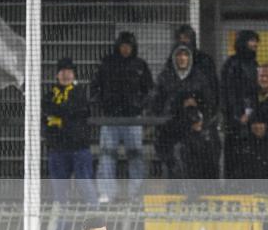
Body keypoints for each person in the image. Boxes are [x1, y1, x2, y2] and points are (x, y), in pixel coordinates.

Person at [91, 31, 154, 203]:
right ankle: (107, 193)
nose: (126, 49)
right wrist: (102, 105)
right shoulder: (107, 64)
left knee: (136, 157)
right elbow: (95, 87)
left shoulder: (140, 65)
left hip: (132, 119)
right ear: (118, 46)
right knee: (107, 155)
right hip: (110, 118)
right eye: (123, 45)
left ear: (133, 47)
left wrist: (139, 106)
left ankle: (136, 194)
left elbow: (149, 90)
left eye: (129, 46)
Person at [150, 45, 216, 178]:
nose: (182, 58)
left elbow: (209, 103)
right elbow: (156, 102)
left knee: (192, 164)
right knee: (171, 163)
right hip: (169, 129)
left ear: (190, 58)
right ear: (174, 58)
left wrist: (201, 119)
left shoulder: (199, 78)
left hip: (193, 129)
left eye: (185, 55)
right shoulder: (164, 77)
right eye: (179, 55)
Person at [43, 57, 97, 209]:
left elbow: (72, 110)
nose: (65, 75)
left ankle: (95, 229)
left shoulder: (80, 93)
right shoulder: (49, 95)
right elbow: (46, 111)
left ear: (74, 74)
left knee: (85, 186)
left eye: (69, 71)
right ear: (57, 74)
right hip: (57, 150)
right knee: (60, 194)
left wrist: (57, 116)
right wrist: (63, 116)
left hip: (79, 148)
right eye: (62, 71)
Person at [221, 30, 260, 178]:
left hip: (249, 118)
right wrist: (238, 115)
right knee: (234, 157)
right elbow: (229, 92)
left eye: (256, 41)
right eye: (252, 40)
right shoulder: (232, 64)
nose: (255, 44)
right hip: (236, 120)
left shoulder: (254, 64)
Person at [166, 24, 218, 109]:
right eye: (180, 38)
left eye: (186, 38)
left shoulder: (204, 60)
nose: (183, 41)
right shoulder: (172, 60)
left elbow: (211, 87)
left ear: (192, 39)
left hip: (201, 109)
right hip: (177, 110)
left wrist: (199, 101)